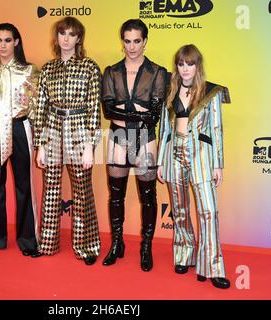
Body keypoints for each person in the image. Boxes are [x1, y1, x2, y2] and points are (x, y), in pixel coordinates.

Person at [157, 44, 231, 289]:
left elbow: (217, 129)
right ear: (176, 66)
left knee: (208, 211)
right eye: (181, 63)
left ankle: (212, 266)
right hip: (173, 152)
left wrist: (218, 164)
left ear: (197, 65)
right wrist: (160, 160)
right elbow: (164, 128)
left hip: (201, 154)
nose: (185, 68)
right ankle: (184, 254)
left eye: (190, 63)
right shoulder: (171, 90)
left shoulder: (211, 92)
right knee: (179, 209)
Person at [33, 17, 101, 265]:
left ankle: (87, 246)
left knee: (82, 191)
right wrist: (40, 145)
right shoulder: (48, 69)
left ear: (79, 38)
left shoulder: (90, 68)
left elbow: (94, 109)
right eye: (62, 33)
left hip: (78, 131)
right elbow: (40, 107)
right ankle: (47, 244)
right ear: (57, 36)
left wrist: (90, 147)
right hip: (51, 128)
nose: (66, 38)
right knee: (50, 190)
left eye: (71, 34)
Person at [102, 19, 167, 272]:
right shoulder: (111, 71)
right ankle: (117, 243)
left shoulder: (158, 73)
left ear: (145, 41)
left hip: (145, 138)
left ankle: (146, 247)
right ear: (122, 41)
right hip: (118, 137)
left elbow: (154, 115)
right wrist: (139, 113)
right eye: (127, 41)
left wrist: (129, 113)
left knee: (148, 196)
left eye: (137, 41)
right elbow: (108, 111)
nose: (132, 46)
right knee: (116, 195)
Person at [0, 23, 41, 257]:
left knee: (24, 186)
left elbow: (36, 107)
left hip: (20, 129)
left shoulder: (30, 70)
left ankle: (28, 241)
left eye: (7, 40)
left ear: (16, 42)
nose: (2, 45)